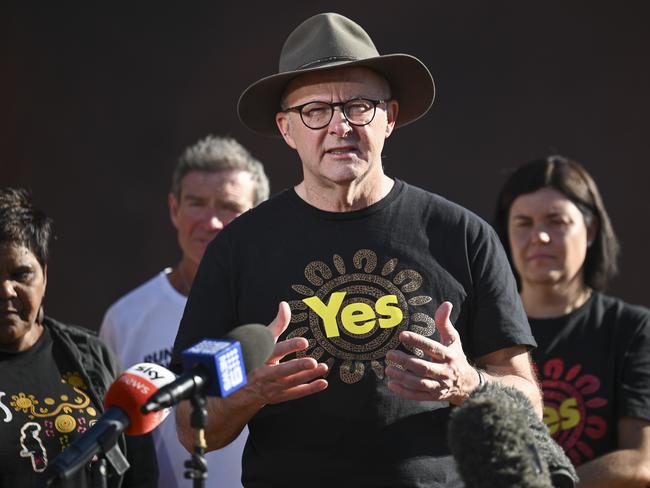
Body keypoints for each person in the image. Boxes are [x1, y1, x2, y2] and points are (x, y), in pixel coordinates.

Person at [172, 13, 542, 488]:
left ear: (389, 118)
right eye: (315, 111)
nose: (339, 126)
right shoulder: (237, 249)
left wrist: (467, 382)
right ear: (286, 129)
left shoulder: (462, 235)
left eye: (359, 106)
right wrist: (250, 393)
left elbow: (528, 406)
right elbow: (190, 426)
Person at [100, 135, 269, 487]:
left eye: (228, 206)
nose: (211, 222)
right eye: (197, 204)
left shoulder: (276, 312)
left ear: (259, 216)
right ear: (174, 209)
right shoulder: (125, 318)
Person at [493, 155, 650, 486]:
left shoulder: (632, 330)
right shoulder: (483, 329)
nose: (541, 237)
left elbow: (642, 461)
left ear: (590, 230)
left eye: (556, 221)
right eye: (524, 223)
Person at [0, 187, 158, 487]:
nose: (6, 290)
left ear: (44, 276)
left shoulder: (91, 356)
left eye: (21, 274)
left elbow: (140, 471)